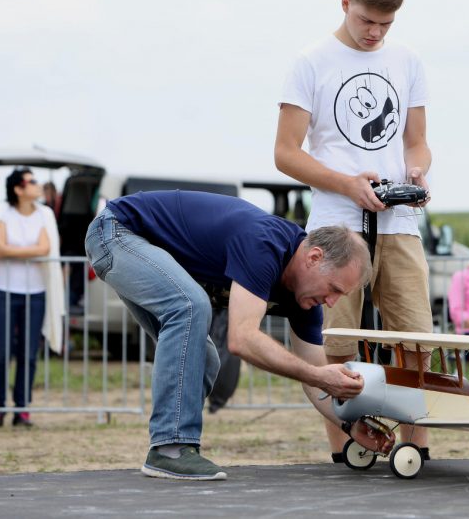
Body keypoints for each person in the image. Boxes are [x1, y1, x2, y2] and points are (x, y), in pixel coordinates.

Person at [84, 190, 393, 480]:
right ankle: (171, 448)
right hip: (116, 232)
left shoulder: (306, 296)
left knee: (205, 360)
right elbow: (242, 339)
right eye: (335, 289)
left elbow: (315, 376)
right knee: (190, 306)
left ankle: (171, 451)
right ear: (313, 258)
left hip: (136, 243)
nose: (332, 302)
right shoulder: (265, 244)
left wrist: (351, 425)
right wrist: (318, 375)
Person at [275, 0, 434, 462]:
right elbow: (285, 152)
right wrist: (347, 184)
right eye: (367, 20)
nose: (375, 32)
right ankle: (345, 446)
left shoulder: (408, 61)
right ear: (345, 4)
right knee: (336, 341)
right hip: (336, 223)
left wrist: (416, 175)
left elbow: (418, 143)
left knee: (415, 339)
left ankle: (417, 448)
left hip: (398, 224)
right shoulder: (310, 61)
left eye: (386, 24)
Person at [0, 168, 65, 427]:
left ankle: (22, 408)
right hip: (3, 289)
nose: (37, 185)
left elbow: (46, 248)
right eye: (31, 181)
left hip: (35, 293)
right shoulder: (2, 211)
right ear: (18, 188)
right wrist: (30, 252)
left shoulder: (45, 214)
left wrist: (12, 251)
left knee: (28, 352)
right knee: (0, 351)